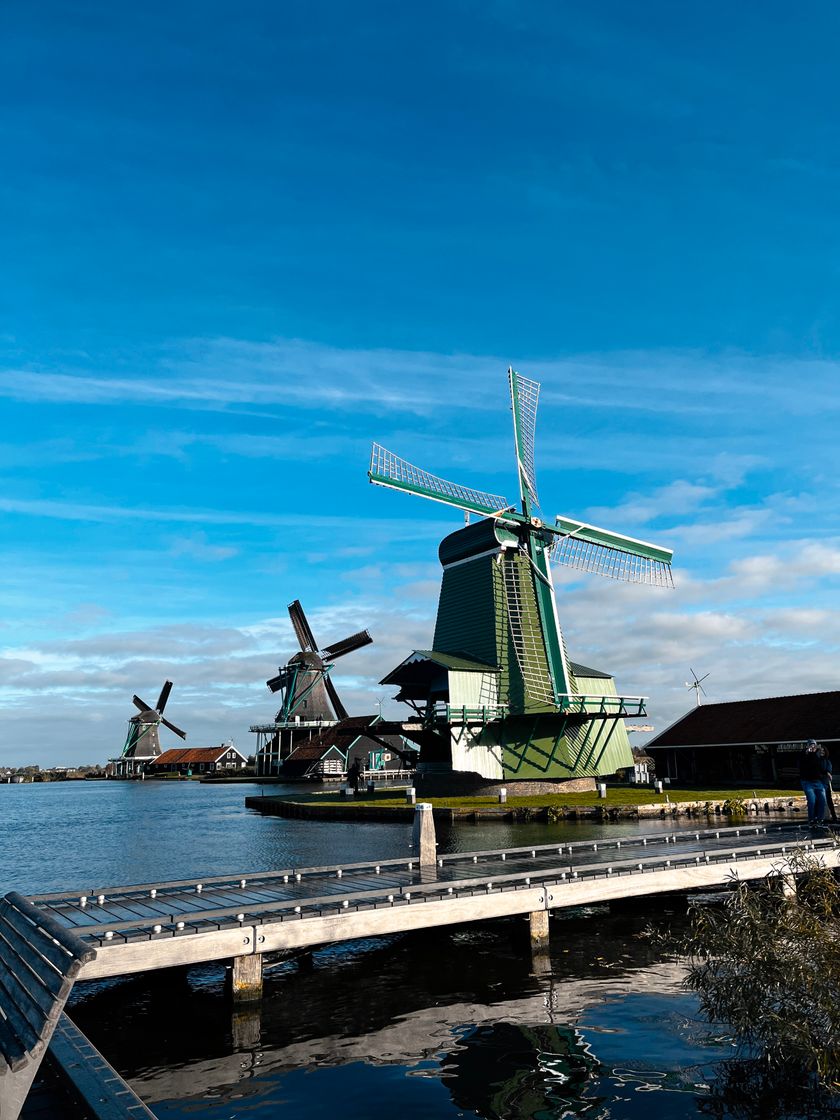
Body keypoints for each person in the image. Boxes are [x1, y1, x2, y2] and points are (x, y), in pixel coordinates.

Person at [799, 739, 827, 826]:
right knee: (812, 801)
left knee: (822, 801)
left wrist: (827, 772)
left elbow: (821, 765)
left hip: (818, 781)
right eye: (810, 745)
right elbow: (801, 761)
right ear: (807, 746)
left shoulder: (818, 755)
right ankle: (811, 819)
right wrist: (807, 752)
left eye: (814, 745)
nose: (812, 747)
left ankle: (819, 819)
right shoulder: (804, 754)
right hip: (807, 782)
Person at [820, 745, 837, 822]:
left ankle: (834, 816)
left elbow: (828, 770)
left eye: (823, 751)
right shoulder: (816, 761)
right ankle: (820, 817)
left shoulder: (827, 761)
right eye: (820, 751)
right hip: (818, 782)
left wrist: (827, 773)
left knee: (828, 800)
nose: (822, 752)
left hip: (825, 783)